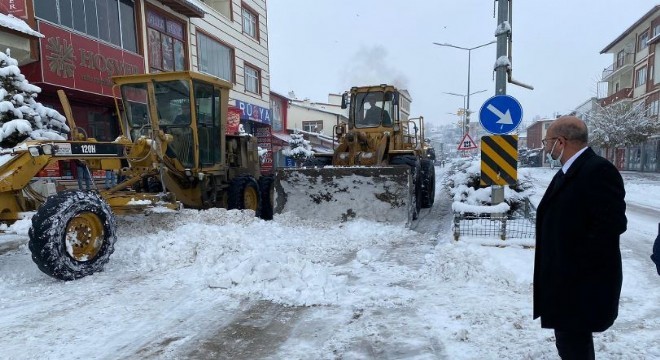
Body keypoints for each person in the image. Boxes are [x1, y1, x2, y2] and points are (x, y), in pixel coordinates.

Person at [534, 116, 627, 359]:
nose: (545, 147)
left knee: (575, 346)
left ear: (561, 142)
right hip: (565, 283)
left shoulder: (598, 170)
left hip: (579, 285)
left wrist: (572, 266)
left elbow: (610, 226)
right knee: (570, 343)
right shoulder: (570, 170)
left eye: (547, 141)